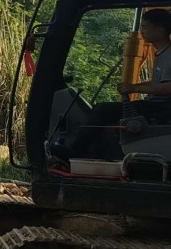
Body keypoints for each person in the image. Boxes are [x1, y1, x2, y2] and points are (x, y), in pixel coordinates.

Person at [64, 9, 171, 159]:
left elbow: (168, 87)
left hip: (162, 108)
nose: (141, 31)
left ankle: (73, 153)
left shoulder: (169, 55)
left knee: (103, 110)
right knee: (105, 113)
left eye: (145, 27)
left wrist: (134, 87)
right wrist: (134, 85)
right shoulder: (160, 53)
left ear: (161, 29)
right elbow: (157, 82)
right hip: (155, 105)